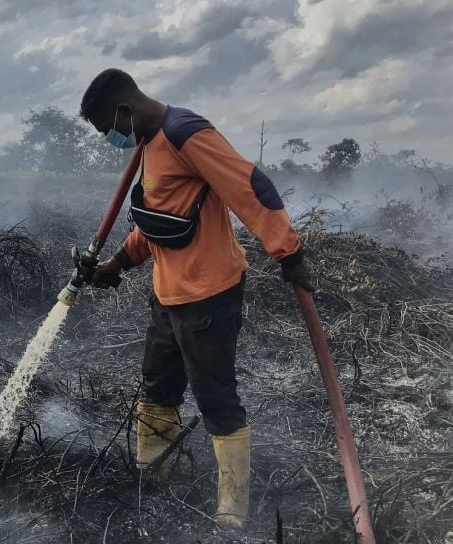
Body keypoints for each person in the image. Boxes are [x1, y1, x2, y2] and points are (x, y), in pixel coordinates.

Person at [80, 68, 314, 529]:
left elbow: (252, 187)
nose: (111, 139)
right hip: (169, 295)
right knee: (157, 390)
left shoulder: (186, 133)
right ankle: (151, 477)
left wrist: (288, 254)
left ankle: (232, 514)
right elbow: (160, 221)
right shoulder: (149, 145)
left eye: (109, 129)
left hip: (209, 295)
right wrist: (118, 263)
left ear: (125, 110)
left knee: (216, 399)